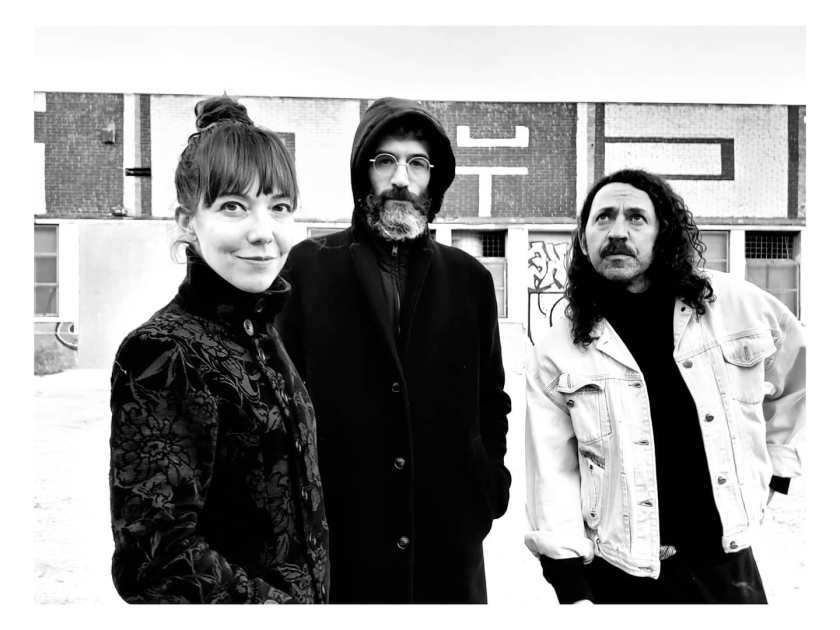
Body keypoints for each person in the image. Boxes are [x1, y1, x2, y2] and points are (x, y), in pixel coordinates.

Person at [524, 169, 805, 604]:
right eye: (603, 218)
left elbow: (799, 373)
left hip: (726, 567)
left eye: (636, 218)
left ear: (663, 233)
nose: (618, 232)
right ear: (582, 240)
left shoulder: (735, 305)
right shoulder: (558, 348)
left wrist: (778, 464)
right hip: (620, 574)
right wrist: (571, 584)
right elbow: (551, 473)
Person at [279, 97, 511, 603]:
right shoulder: (308, 268)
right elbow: (281, 405)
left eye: (417, 163)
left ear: (435, 179)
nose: (401, 178)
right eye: (385, 160)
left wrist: (488, 489)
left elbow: (491, 400)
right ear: (362, 172)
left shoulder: (470, 279)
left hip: (448, 547)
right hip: (342, 542)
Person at [109, 96, 328, 603]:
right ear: (188, 221)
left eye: (279, 207)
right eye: (233, 206)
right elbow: (155, 563)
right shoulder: (163, 352)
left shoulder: (262, 332)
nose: (263, 232)